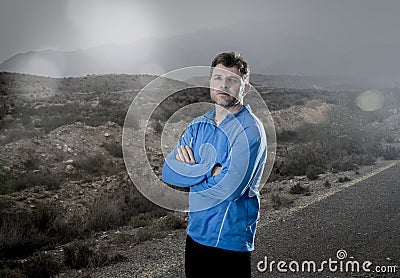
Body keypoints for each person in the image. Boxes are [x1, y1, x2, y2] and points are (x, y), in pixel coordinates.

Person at [162, 52, 267, 277]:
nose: (224, 85)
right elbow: (168, 172)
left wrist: (192, 167)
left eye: (233, 80)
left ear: (245, 88)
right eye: (218, 78)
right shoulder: (199, 125)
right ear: (210, 83)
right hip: (196, 234)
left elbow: (230, 189)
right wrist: (211, 168)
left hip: (229, 241)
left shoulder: (250, 130)